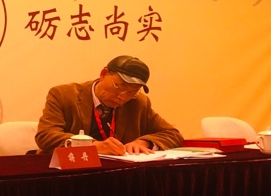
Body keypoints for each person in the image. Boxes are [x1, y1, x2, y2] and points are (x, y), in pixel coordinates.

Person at [35, 55, 181, 155]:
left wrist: (144, 142)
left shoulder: (138, 103)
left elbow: (172, 134)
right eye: (120, 87)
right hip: (69, 171)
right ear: (103, 74)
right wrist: (93, 146)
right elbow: (46, 136)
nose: (123, 97)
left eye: (132, 92)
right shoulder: (64, 95)